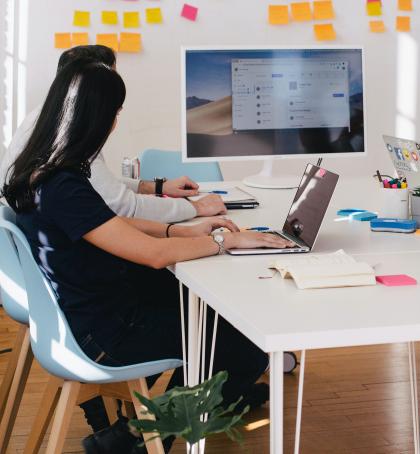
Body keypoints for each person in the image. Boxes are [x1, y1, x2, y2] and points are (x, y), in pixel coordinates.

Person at [2, 60, 294, 453]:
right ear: (97, 118)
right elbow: (154, 255)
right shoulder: (64, 185)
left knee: (208, 315)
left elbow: (112, 225)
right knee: (242, 345)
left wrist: (182, 231)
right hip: (104, 334)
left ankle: (139, 431)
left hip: (90, 313)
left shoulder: (43, 172)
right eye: (115, 113)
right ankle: (146, 440)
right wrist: (229, 243)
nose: (116, 123)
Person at [0, 45, 225, 223]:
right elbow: (123, 207)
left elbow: (97, 185)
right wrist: (196, 208)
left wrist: (156, 187)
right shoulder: (68, 135)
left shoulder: (45, 120)